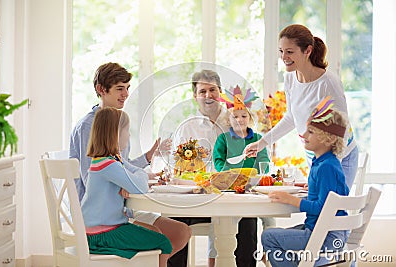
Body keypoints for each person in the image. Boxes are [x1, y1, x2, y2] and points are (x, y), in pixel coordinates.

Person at [70, 62, 190, 259]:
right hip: (103, 218)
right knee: (160, 238)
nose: (126, 94)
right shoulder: (89, 126)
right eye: (119, 89)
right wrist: (129, 180)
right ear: (101, 89)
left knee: (181, 232)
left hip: (121, 209)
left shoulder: (115, 124)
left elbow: (122, 167)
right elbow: (89, 178)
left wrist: (147, 158)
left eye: (127, 88)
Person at [244, 24, 358, 190]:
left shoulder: (328, 83)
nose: (284, 57)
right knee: (316, 209)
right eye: (281, 51)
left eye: (290, 52)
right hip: (315, 155)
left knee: (330, 208)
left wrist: (328, 168)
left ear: (308, 51)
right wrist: (261, 143)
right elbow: (292, 118)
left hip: (340, 157)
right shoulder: (290, 78)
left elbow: (341, 129)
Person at [169, 70, 259, 267]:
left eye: (212, 90)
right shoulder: (187, 128)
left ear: (220, 92)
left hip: (231, 197)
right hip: (197, 197)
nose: (208, 95)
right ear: (195, 96)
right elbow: (177, 167)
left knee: (248, 217)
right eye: (202, 91)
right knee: (172, 216)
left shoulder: (236, 121)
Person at [261, 99, 350, 267]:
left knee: (268, 237)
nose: (303, 135)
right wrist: (313, 188)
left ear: (329, 138)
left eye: (310, 132)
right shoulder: (324, 163)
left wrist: (292, 200)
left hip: (325, 235)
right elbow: (334, 193)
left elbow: (324, 208)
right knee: (275, 237)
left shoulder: (326, 167)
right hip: (322, 230)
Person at [81, 107, 173, 267]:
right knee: (164, 242)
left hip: (96, 231)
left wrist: (133, 178)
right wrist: (138, 177)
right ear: (115, 134)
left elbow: (134, 176)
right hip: (104, 234)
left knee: (155, 234)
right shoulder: (109, 165)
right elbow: (141, 187)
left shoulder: (104, 161)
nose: (129, 135)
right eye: (127, 131)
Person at [211, 86, 273, 266]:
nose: (239, 119)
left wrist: (256, 174)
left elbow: (264, 162)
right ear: (228, 119)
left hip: (250, 190)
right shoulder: (223, 139)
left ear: (250, 118)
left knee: (248, 222)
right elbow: (218, 161)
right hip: (228, 189)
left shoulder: (257, 139)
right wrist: (229, 174)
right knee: (229, 223)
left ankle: (247, 262)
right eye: (235, 116)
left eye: (244, 116)